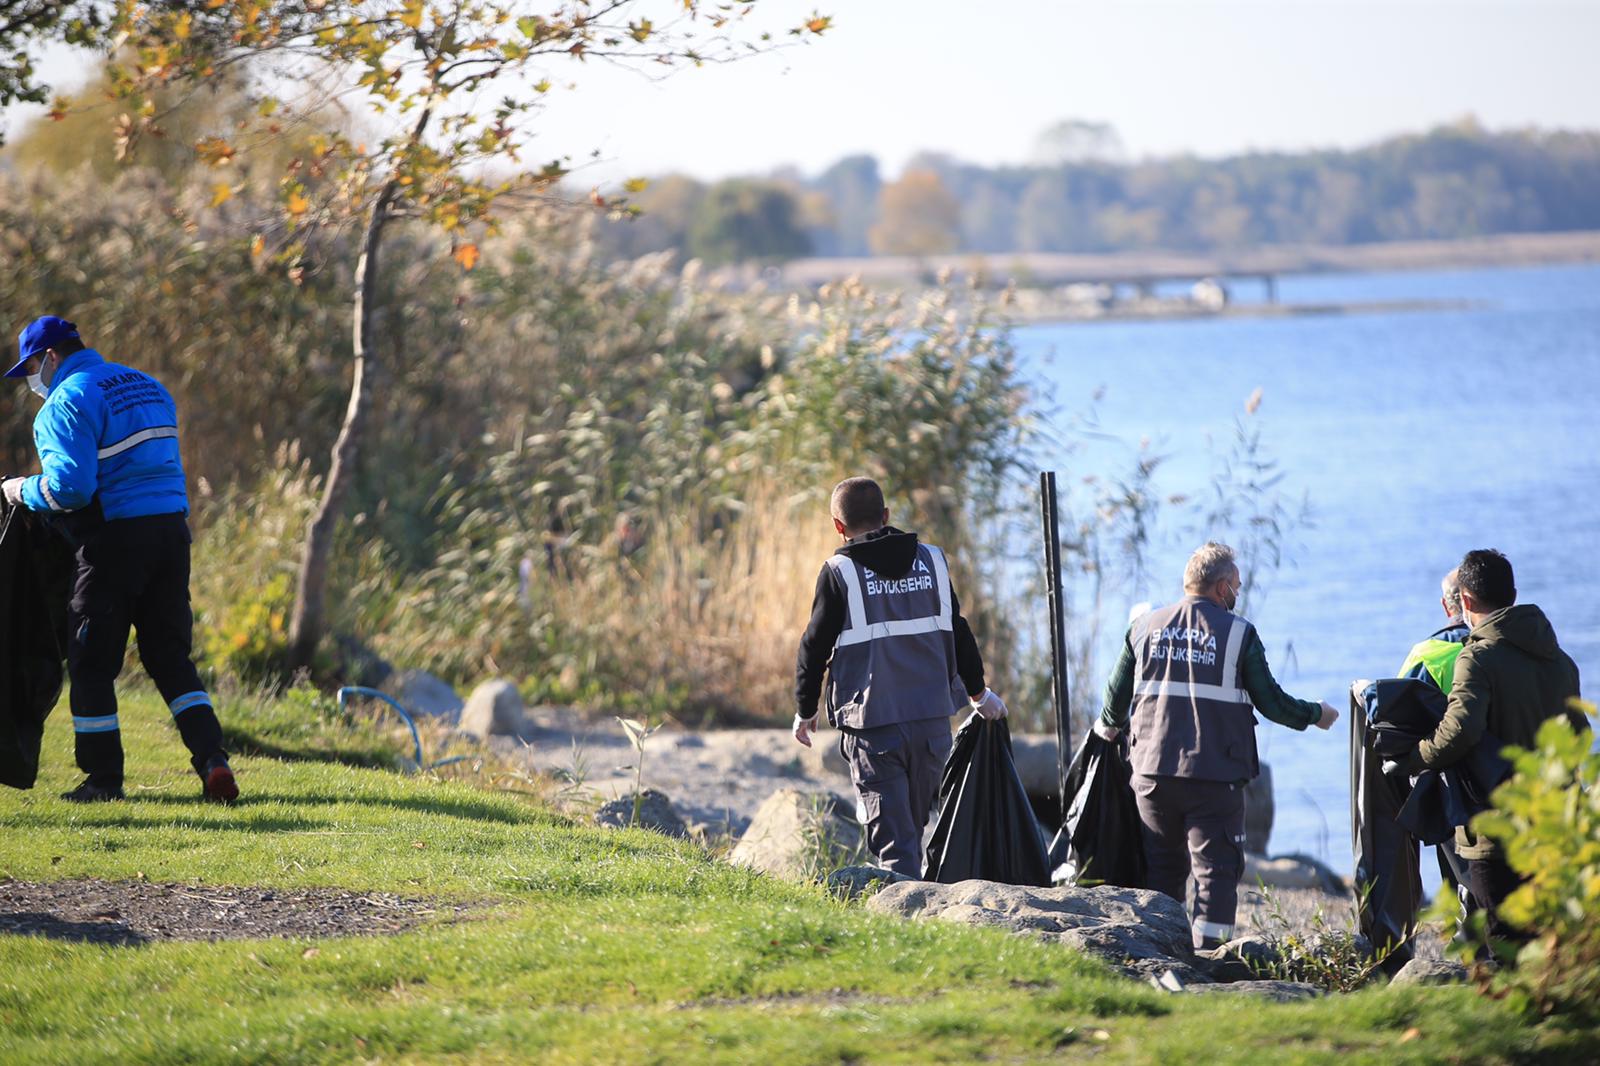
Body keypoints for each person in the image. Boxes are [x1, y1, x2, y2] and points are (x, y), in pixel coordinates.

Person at [1, 316, 237, 804]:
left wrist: (19, 490)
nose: (31, 383)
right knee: (170, 657)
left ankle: (103, 778)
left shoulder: (67, 400)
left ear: (50, 358)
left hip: (113, 542)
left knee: (91, 662)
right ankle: (213, 759)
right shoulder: (148, 386)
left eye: (29, 369)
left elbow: (72, 488)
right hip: (171, 533)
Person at [1094, 542, 1339, 949]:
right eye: (1237, 587)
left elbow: (1114, 699)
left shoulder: (1142, 627)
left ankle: (1162, 952)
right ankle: (1211, 962)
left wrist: (1107, 727)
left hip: (1152, 774)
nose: (1238, 594)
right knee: (1216, 875)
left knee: (1162, 871)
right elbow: (1272, 702)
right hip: (1212, 776)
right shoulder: (1239, 633)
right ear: (1222, 587)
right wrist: (1316, 715)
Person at [792, 476, 1004, 878]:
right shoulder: (933, 561)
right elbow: (958, 631)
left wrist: (806, 710)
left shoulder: (840, 573)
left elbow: (813, 647)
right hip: (932, 725)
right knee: (923, 828)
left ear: (838, 526)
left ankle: (906, 927)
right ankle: (938, 916)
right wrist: (979, 694)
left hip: (874, 728)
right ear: (886, 516)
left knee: (896, 846)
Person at [1407, 549, 1586, 942]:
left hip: (1498, 829)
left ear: (1465, 601)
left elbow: (1460, 731)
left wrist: (1416, 755)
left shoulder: (1478, 658)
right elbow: (1580, 736)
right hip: (1556, 823)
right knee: (1553, 942)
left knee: (1504, 947)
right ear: (1513, 593)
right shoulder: (1561, 661)